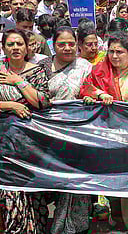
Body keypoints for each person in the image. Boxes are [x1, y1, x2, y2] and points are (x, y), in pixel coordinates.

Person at [79, 32, 128, 234]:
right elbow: (86, 87)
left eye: (120, 52)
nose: (114, 56)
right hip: (107, 138)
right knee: (116, 187)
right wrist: (97, 94)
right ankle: (126, 225)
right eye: (111, 51)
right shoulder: (99, 71)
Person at [0, 29, 50, 234]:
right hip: (3, 143)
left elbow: (42, 102)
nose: (15, 48)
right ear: (4, 48)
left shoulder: (37, 71)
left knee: (33, 193)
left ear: (27, 47)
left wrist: (18, 81)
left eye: (19, 44)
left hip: (32, 143)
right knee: (10, 193)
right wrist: (11, 105)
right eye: (10, 44)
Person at [39, 27, 93, 234]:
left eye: (71, 43)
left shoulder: (84, 66)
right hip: (45, 131)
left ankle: (72, 227)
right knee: (48, 179)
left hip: (77, 131)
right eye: (62, 44)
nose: (67, 48)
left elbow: (91, 88)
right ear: (54, 45)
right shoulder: (42, 65)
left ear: (77, 44)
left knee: (75, 181)